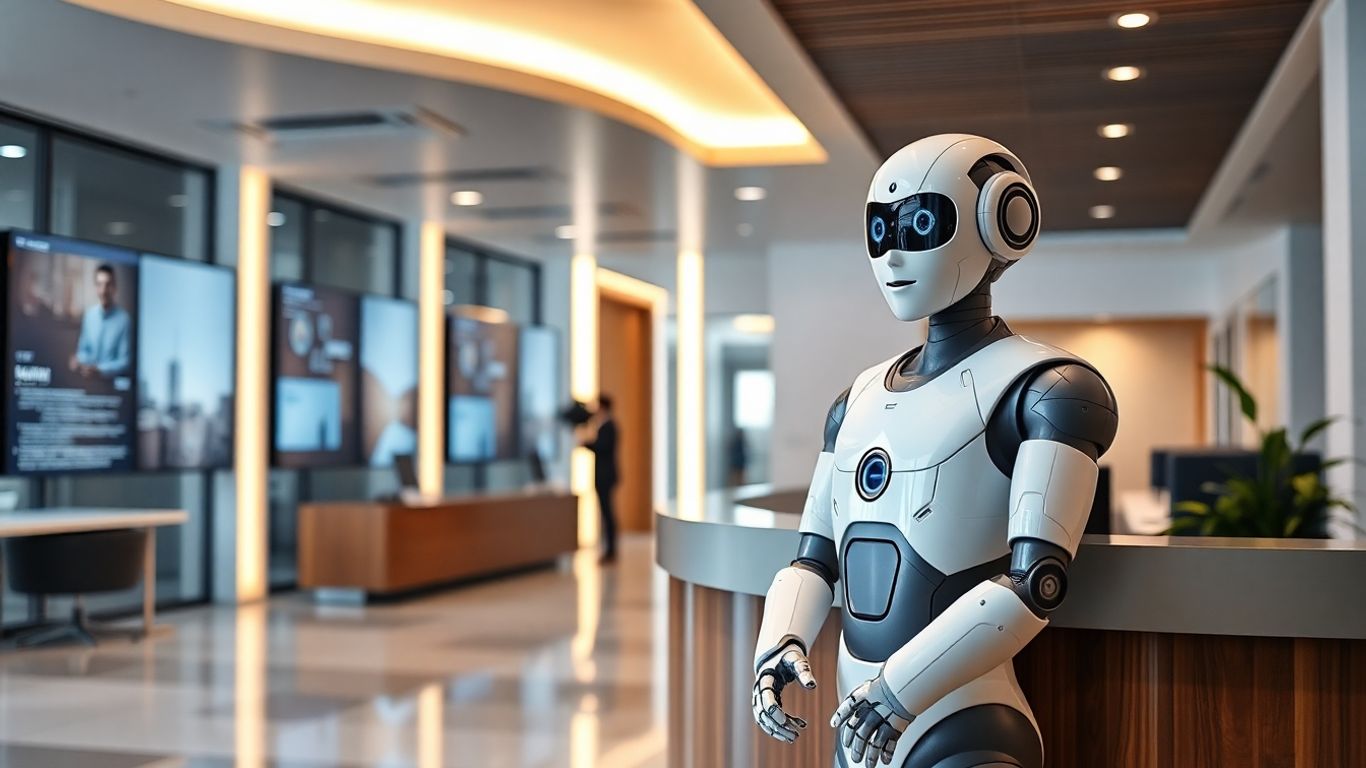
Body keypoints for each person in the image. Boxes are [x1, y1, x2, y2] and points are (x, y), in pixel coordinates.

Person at [70, 263, 130, 378]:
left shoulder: (124, 320)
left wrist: (99, 370)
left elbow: (124, 362)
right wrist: (78, 359)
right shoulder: (89, 316)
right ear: (95, 287)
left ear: (114, 287)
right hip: (87, 379)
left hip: (110, 382)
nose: (103, 291)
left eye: (107, 285)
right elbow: (83, 350)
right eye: (99, 284)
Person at [581, 395, 619, 563]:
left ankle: (610, 550)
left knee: (607, 513)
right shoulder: (604, 426)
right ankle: (609, 549)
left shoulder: (609, 427)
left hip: (605, 476)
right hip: (603, 476)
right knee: (606, 513)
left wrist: (586, 443)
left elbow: (602, 447)